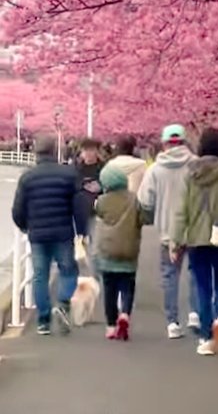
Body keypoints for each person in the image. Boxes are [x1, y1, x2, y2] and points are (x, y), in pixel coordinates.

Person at [171, 127, 218, 357]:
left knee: (203, 287)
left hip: (196, 237)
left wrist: (176, 241)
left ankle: (206, 336)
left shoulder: (190, 173)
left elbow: (180, 211)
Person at [11, 133, 86, 335]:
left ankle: (43, 321)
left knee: (40, 276)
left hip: (37, 234)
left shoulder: (27, 177)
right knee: (69, 270)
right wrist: (81, 231)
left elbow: (17, 209)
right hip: (62, 232)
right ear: (55, 151)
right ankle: (62, 302)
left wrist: (25, 226)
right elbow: (79, 206)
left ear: (36, 152)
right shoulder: (69, 174)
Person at [138, 123, 198, 338]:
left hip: (166, 231)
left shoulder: (155, 169)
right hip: (194, 229)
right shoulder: (196, 165)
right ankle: (195, 313)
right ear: (184, 142)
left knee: (170, 276)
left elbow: (145, 200)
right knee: (196, 273)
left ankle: (173, 323)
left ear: (164, 144)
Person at [94, 164, 147, 340]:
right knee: (127, 286)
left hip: (108, 252)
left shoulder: (102, 201)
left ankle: (110, 326)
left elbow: (98, 214)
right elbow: (144, 218)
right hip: (129, 251)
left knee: (109, 290)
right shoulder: (134, 200)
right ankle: (125, 313)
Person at [74, 138, 105, 276]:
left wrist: (100, 188)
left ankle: (94, 278)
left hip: (97, 212)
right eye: (85, 150)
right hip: (78, 211)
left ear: (97, 151)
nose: (88, 154)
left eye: (91, 150)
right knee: (81, 246)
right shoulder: (76, 168)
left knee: (95, 250)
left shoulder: (104, 168)